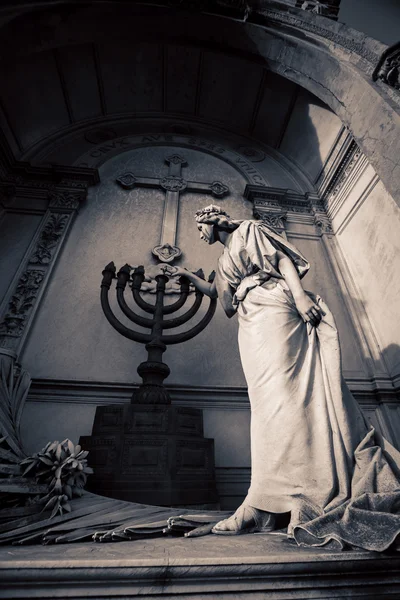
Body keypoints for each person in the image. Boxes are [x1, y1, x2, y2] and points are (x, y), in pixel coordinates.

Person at [169, 204, 400, 551]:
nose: (199, 235)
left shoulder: (248, 230)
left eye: (199, 227)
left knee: (287, 398)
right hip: (250, 322)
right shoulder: (222, 262)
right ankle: (262, 498)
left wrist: (300, 295)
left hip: (275, 309)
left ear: (210, 221)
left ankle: (304, 491)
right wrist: (190, 278)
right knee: (266, 407)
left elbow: (281, 261)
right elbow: (224, 300)